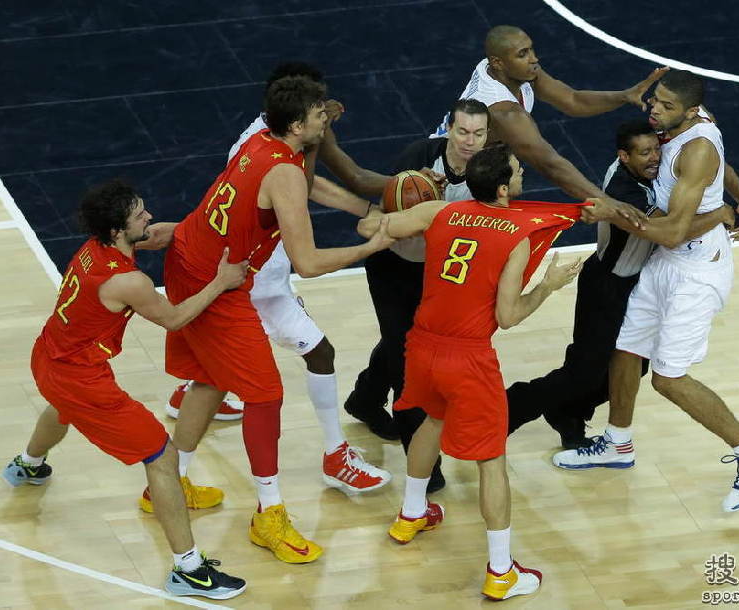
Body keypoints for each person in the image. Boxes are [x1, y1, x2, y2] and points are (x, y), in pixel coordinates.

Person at [161, 75, 395, 564]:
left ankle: (170, 478)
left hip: (191, 259)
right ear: (295, 124)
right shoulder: (284, 173)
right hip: (218, 282)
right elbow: (307, 263)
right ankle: (269, 514)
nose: (324, 119)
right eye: (316, 115)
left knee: (208, 380)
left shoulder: (261, 142)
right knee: (265, 395)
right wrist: (370, 246)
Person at [359, 144, 586, 600]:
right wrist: (548, 286)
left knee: (431, 420)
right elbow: (508, 315)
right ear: (503, 189)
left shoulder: (442, 211)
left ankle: (410, 515)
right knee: (491, 458)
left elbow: (385, 224)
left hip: (421, 345)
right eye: (518, 173)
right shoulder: (516, 238)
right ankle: (501, 571)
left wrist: (402, 203)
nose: (523, 178)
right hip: (467, 358)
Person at [1, 180, 247, 599]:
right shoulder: (129, 282)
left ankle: (28, 463)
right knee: (161, 455)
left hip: (47, 356)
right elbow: (174, 318)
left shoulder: (93, 248)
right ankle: (188, 569)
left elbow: (141, 245)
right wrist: (221, 281)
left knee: (61, 408)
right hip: (80, 378)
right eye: (139, 215)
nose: (148, 218)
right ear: (117, 229)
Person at [552, 71, 739, 513]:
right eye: (655, 101)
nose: (654, 110)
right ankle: (618, 443)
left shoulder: (694, 151)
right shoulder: (689, 126)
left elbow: (674, 232)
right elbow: (723, 168)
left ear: (691, 112)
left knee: (667, 378)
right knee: (626, 347)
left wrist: (613, 212)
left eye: (665, 107)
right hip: (669, 262)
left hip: (695, 271)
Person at [506, 120, 738, 448]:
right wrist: (718, 214)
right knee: (584, 372)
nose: (655, 158)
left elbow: (704, 151)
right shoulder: (624, 194)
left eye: (656, 149)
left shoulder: (643, 167)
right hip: (606, 286)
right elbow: (672, 231)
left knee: (633, 366)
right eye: (645, 153)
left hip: (635, 283)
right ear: (624, 157)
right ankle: (509, 408)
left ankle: (571, 411)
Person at [344, 98, 490, 491]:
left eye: (478, 133)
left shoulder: (489, 169)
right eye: (462, 131)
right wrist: (416, 198)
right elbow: (377, 217)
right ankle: (425, 466)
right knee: (405, 360)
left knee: (405, 341)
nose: (469, 141)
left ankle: (363, 399)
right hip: (392, 265)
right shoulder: (417, 161)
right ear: (448, 129)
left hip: (441, 270)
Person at [432, 24, 661, 227]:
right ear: (498, 63)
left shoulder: (510, 70)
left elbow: (572, 100)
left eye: (531, 49)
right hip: (450, 179)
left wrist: (624, 96)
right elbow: (550, 164)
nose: (534, 59)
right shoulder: (503, 112)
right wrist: (606, 201)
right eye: (523, 54)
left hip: (476, 166)